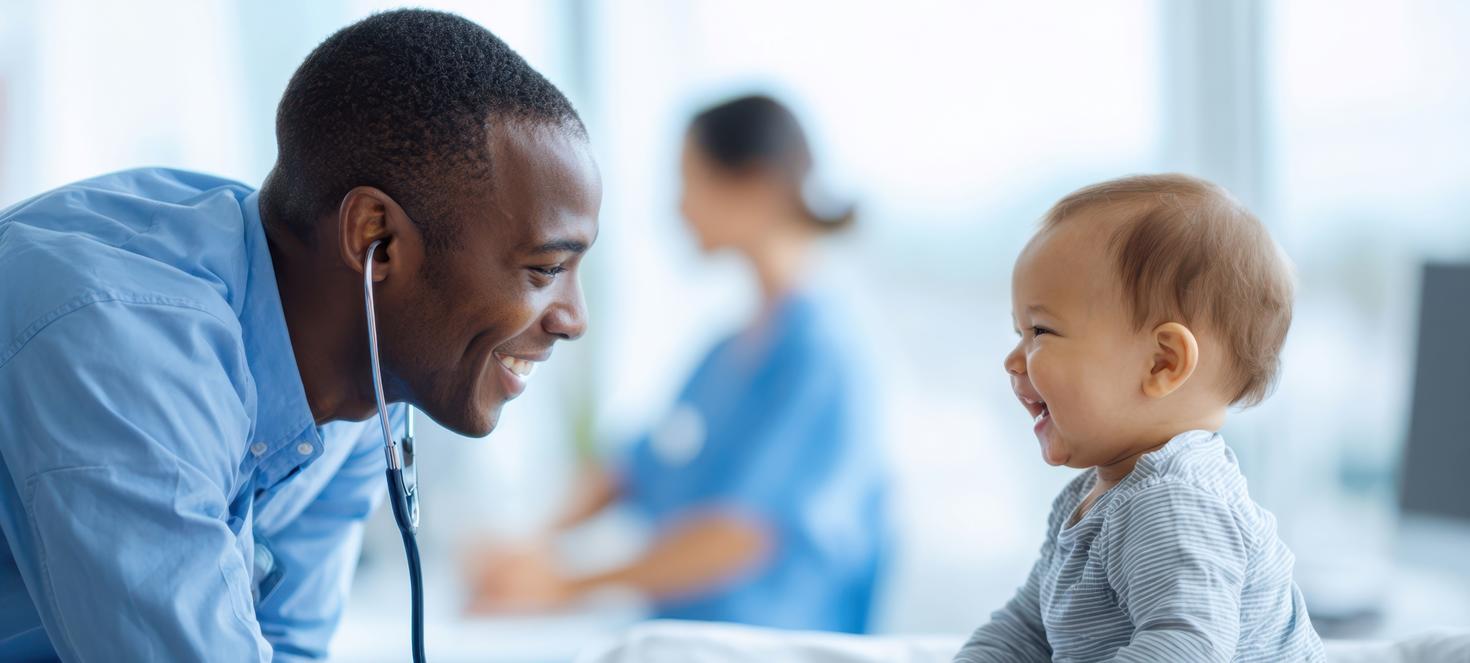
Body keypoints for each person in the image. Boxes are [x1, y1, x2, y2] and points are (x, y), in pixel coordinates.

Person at [0, 9, 600, 661]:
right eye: (545, 268)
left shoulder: (362, 389)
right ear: (376, 238)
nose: (574, 317)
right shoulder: (122, 339)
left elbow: (284, 646)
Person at [465, 95, 889, 634]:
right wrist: (529, 545)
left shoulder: (823, 355)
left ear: (753, 187)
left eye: (690, 181)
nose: (679, 208)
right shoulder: (726, 353)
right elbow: (634, 468)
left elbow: (743, 534)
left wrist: (563, 586)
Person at [954, 174, 1324, 661]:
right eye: (1019, 331)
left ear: (1161, 363)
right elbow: (1028, 628)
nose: (1013, 359)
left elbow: (1185, 650)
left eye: (1040, 330)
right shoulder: (1091, 496)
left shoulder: (1174, 503)